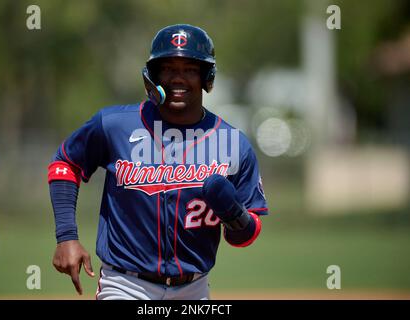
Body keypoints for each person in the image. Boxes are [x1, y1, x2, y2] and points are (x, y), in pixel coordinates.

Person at [48, 24, 269, 300]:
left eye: (190, 69)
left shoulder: (233, 143)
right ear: (152, 76)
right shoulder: (115, 125)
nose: (178, 78)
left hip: (195, 289)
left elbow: (246, 235)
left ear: (206, 78)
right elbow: (65, 164)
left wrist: (235, 216)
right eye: (168, 69)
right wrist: (66, 236)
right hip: (126, 285)